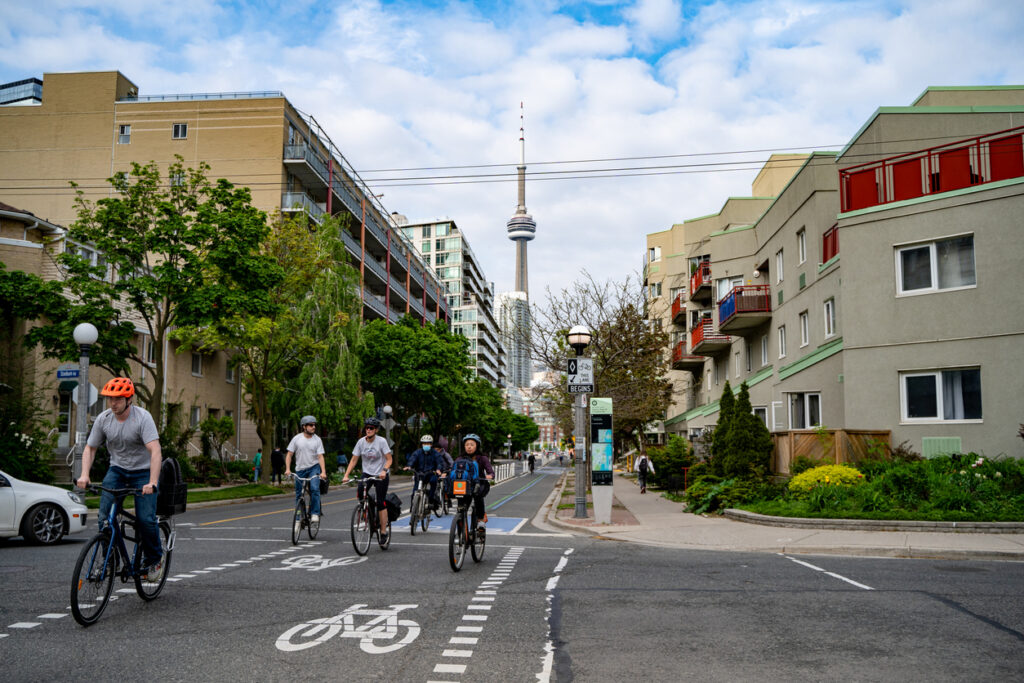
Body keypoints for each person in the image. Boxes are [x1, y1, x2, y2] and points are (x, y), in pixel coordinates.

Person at [76, 377, 163, 579]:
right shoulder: (104, 419)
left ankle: (154, 559)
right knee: (104, 518)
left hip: (143, 472)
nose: (113, 403)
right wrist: (84, 474)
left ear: (129, 399)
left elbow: (155, 451)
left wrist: (152, 482)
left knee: (145, 519)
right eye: (110, 399)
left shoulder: (142, 418)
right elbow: (90, 447)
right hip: (117, 471)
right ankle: (110, 560)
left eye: (118, 399)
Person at [343, 417, 393, 541]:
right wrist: (346, 475)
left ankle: (383, 531)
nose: (368, 430)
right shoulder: (361, 442)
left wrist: (384, 470)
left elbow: (389, 459)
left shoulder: (381, 441)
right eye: (367, 428)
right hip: (367, 473)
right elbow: (354, 459)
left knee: (381, 502)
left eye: (371, 428)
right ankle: (368, 510)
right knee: (361, 494)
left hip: (380, 474)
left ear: (376, 430)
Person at [284, 415, 327, 523]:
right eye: (311, 425)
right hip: (300, 469)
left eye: (314, 425)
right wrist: (288, 469)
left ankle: (315, 513)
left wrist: (323, 472)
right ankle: (299, 517)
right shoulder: (297, 439)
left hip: (314, 467)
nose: (314, 427)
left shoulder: (317, 440)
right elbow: (289, 455)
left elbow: (320, 456)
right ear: (304, 427)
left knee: (314, 488)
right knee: (299, 494)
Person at [404, 435, 443, 512]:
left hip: (431, 473)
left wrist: (438, 469)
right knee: (415, 491)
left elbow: (439, 462)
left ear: (431, 445)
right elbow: (412, 459)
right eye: (424, 443)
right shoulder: (417, 452)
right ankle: (413, 507)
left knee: (433, 481)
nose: (426, 445)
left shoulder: (435, 453)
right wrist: (409, 466)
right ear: (421, 444)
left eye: (428, 443)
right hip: (420, 474)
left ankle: (431, 500)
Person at [463, 434, 494, 529]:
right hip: (465, 485)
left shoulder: (483, 458)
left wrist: (489, 476)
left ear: (477, 446)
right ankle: (460, 518)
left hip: (480, 483)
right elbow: (453, 469)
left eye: (472, 444)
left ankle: (480, 519)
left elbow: (491, 472)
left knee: (478, 496)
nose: (469, 447)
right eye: (467, 444)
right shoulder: (461, 458)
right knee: (463, 503)